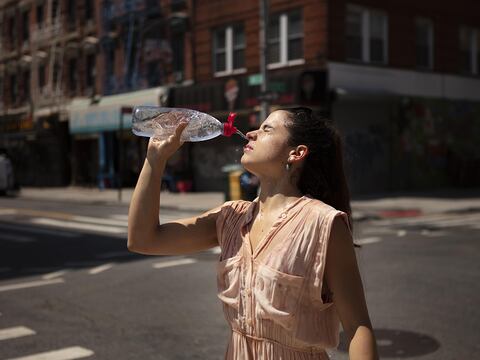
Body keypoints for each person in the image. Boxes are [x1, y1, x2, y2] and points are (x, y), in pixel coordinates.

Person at [127, 107, 379, 359]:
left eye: (266, 129)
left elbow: (358, 327)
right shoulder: (230, 217)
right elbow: (143, 239)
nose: (250, 133)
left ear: (297, 153)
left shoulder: (324, 223)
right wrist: (155, 159)